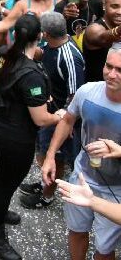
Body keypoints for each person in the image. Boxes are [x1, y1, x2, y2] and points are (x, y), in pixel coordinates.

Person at [0, 14, 65, 260]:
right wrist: (59, 115)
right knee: (8, 182)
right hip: (16, 136)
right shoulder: (32, 75)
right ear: (39, 36)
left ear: (15, 34)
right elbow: (41, 119)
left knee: (2, 170)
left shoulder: (4, 53)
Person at [42, 44, 121, 260]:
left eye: (120, 70)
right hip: (82, 176)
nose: (112, 74)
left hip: (116, 189)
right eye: (108, 66)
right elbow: (67, 120)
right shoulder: (87, 91)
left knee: (105, 250)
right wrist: (50, 156)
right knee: (76, 232)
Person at [17, 12, 85, 211]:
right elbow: (44, 53)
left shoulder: (70, 57)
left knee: (54, 156)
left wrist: (66, 120)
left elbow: (76, 94)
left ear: (45, 34)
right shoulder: (53, 45)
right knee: (44, 151)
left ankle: (47, 196)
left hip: (61, 117)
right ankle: (46, 182)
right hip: (49, 110)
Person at [83, 0, 121, 82]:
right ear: (104, 6)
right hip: (97, 91)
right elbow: (103, 38)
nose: (120, 12)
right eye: (114, 6)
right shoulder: (93, 29)